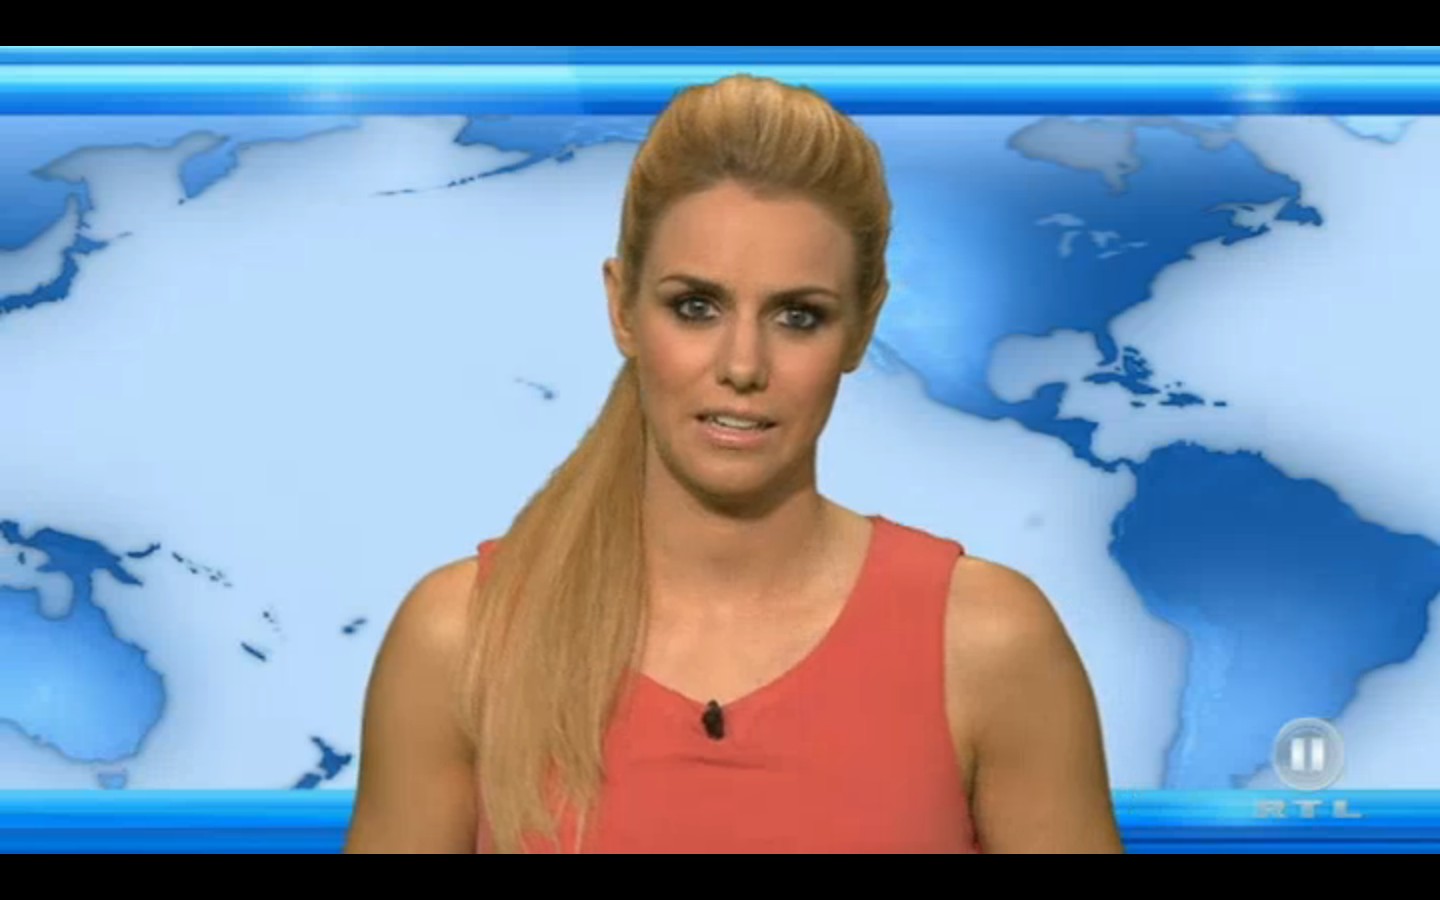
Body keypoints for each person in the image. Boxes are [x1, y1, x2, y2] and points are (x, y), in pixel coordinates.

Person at [343, 73, 1125, 854]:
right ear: (622, 306)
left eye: (799, 316)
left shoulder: (989, 643)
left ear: (862, 327)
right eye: (696, 307)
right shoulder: (461, 641)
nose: (743, 365)